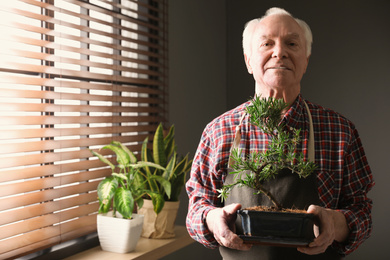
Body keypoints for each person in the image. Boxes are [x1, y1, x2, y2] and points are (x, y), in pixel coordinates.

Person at [185, 7, 374, 259]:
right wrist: (211, 219)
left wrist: (335, 223)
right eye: (266, 43)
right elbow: (197, 206)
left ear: (305, 60)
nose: (279, 52)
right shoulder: (218, 131)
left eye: (292, 43)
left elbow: (362, 212)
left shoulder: (339, 131)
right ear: (248, 60)